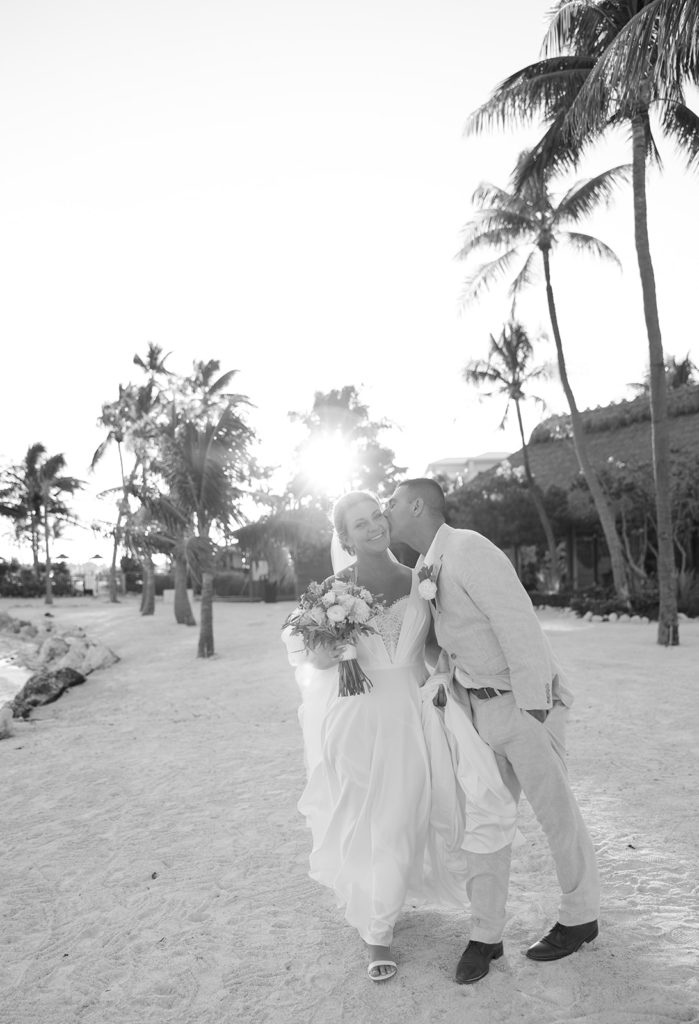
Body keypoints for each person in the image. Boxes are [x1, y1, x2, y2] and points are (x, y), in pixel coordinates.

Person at [281, 491, 518, 983]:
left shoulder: (421, 582)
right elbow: (316, 659)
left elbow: (438, 648)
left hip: (413, 713)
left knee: (403, 816)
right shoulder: (333, 588)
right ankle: (376, 929)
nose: (373, 528)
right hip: (356, 719)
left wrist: (452, 679)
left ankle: (383, 917)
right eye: (359, 524)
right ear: (345, 537)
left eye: (376, 517)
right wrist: (338, 648)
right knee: (365, 820)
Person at [385, 477, 600, 984]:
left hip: (521, 708)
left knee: (556, 815)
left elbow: (517, 623)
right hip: (476, 713)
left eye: (392, 502)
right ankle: (486, 935)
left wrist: (534, 708)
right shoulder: (425, 565)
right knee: (485, 821)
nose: (386, 510)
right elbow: (451, 640)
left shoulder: (469, 548)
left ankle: (580, 916)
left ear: (417, 504)